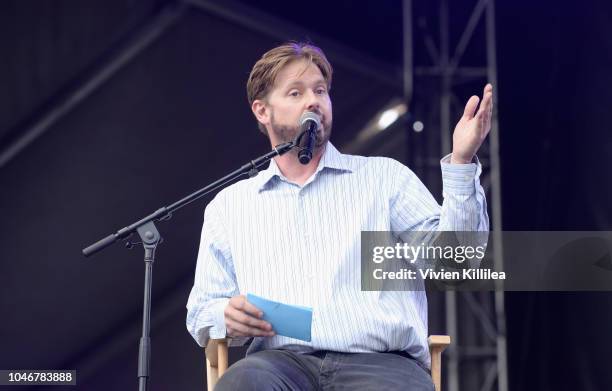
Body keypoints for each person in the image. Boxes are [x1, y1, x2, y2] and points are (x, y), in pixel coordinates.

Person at [186, 42, 491, 390]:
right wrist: (224, 316)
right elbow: (201, 312)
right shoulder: (231, 205)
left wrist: (463, 163)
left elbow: (453, 265)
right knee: (244, 381)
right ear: (262, 111)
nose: (313, 100)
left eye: (320, 90)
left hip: (381, 363)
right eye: (296, 92)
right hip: (279, 365)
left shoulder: (385, 178)